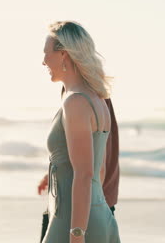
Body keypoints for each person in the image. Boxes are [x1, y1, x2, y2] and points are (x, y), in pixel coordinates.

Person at [38, 21, 121, 243]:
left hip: (72, 222)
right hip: (97, 214)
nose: (43, 60)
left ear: (63, 54)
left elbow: (84, 175)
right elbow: (99, 169)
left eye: (46, 53)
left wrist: (76, 234)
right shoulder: (97, 98)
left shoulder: (75, 101)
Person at [38, 86, 120, 242]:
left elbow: (96, 160)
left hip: (87, 205)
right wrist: (54, 173)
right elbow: (76, 149)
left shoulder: (85, 95)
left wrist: (78, 230)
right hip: (74, 202)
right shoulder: (76, 91)